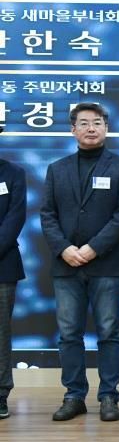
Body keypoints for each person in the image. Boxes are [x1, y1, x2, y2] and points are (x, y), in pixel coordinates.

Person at [40, 103, 119, 422]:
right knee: (69, 333)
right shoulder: (57, 168)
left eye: (97, 122)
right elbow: (47, 214)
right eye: (83, 123)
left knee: (108, 332)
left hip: (106, 264)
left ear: (106, 128)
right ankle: (74, 395)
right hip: (66, 265)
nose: (91, 128)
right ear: (73, 130)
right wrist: (64, 248)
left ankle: (109, 396)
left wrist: (94, 248)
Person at [0, 125, 27, 420]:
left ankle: (0, 393)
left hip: (2, 264)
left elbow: (15, 217)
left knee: (0, 333)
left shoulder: (13, 173)